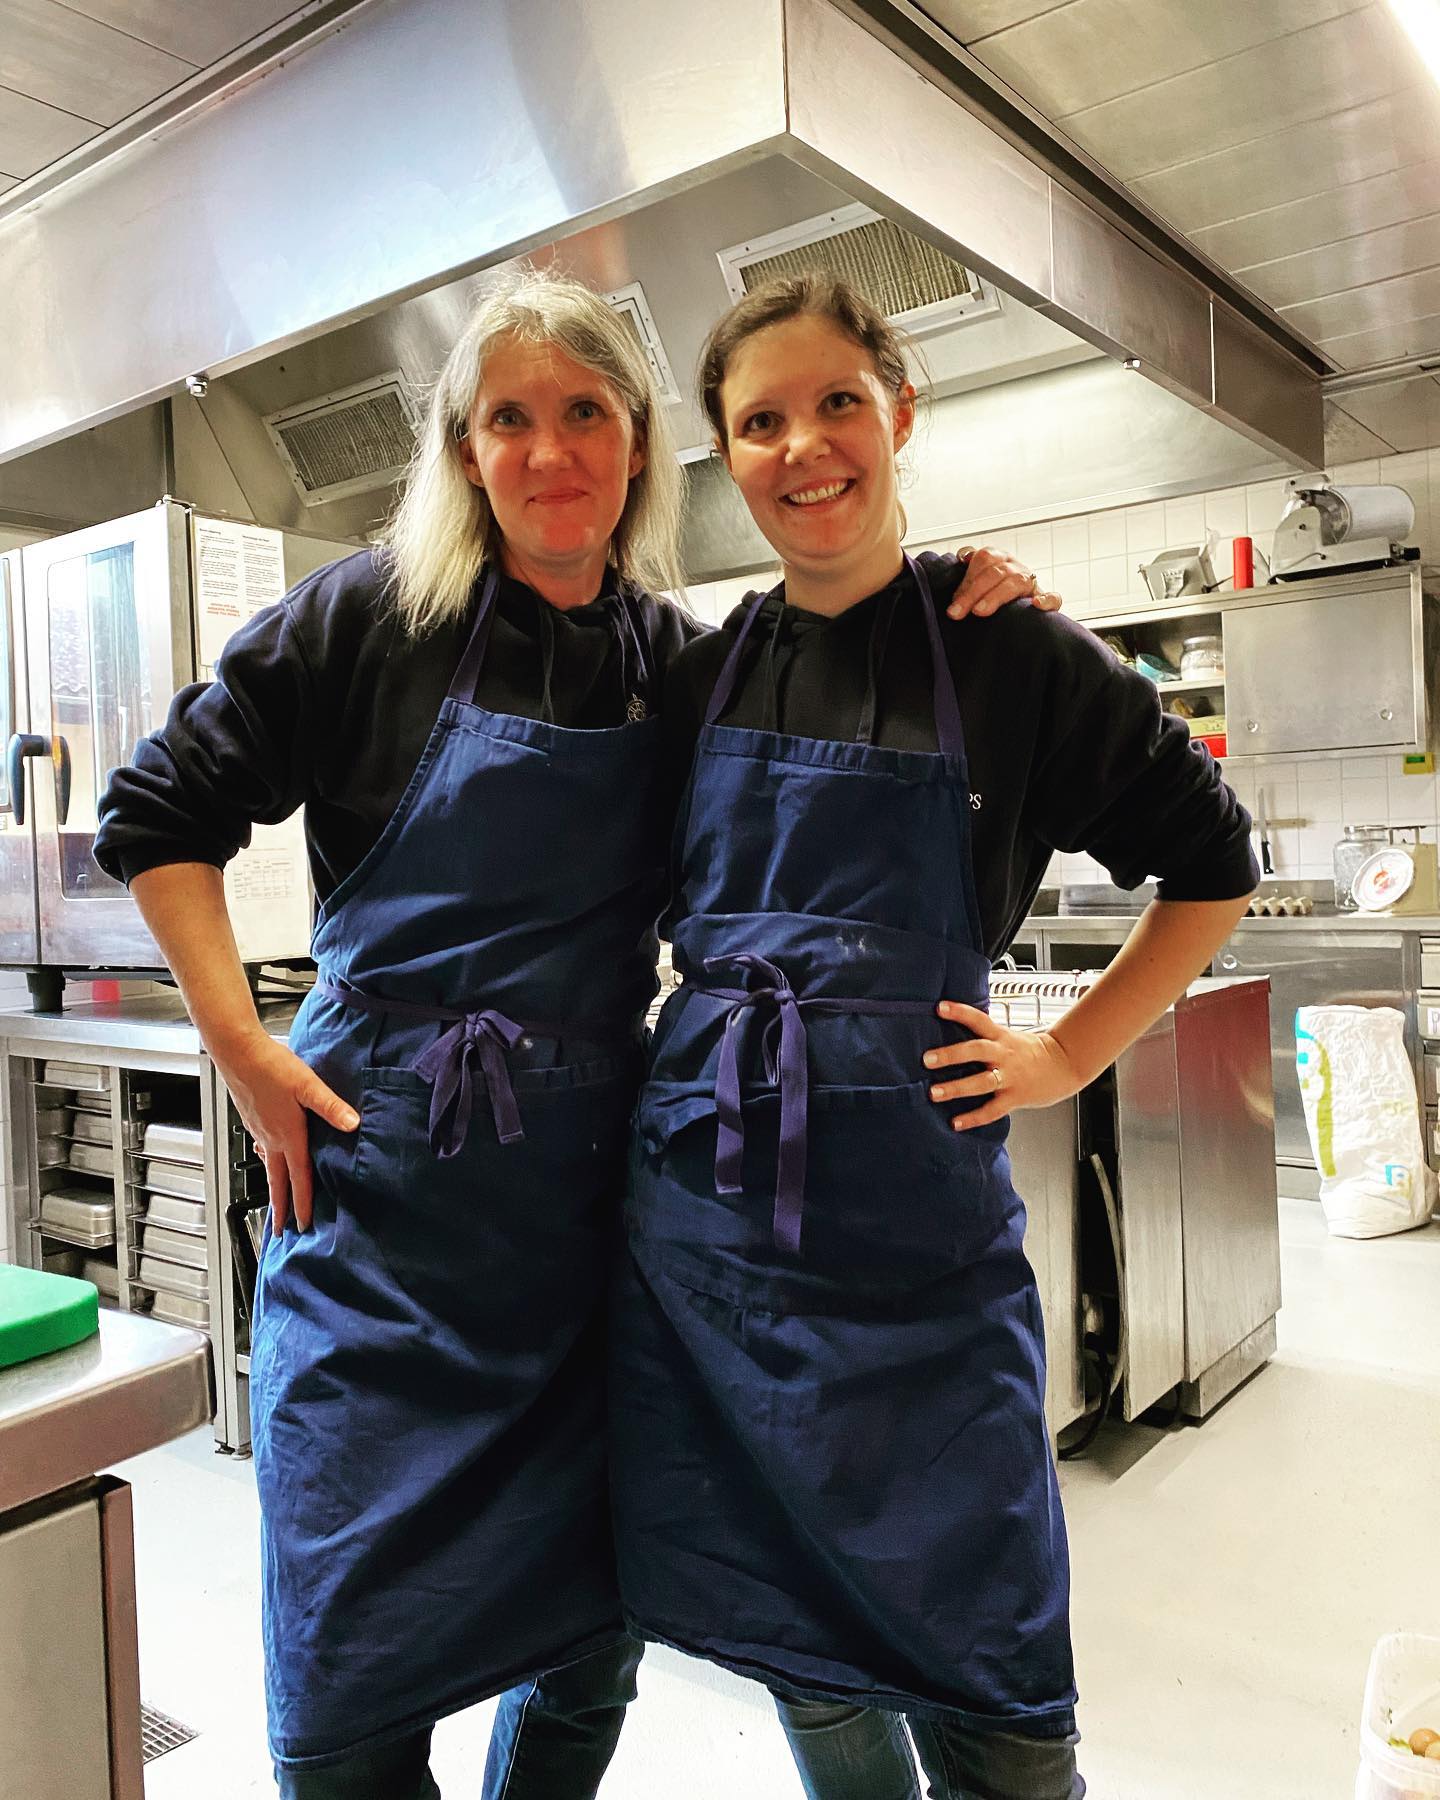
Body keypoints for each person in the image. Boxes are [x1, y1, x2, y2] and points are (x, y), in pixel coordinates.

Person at [93, 268, 1052, 1799]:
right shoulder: (370, 618)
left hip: (586, 1225)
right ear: (464, 451)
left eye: (587, 413)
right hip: (381, 1215)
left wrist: (969, 610)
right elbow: (159, 813)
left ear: (639, 441)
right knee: (345, 1679)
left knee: (590, 1636)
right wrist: (245, 1051)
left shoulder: (678, 664)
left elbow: (837, 672)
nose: (551, 453)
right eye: (511, 419)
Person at [609, 274, 1260, 1800]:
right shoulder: (696, 676)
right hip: (716, 1235)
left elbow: (1213, 863)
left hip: (921, 1250)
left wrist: (1071, 1055)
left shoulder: (1012, 652)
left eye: (838, 401)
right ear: (724, 457)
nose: (804, 446)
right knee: (793, 1621)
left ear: (901, 413)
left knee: (997, 1664)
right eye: (760, 421)